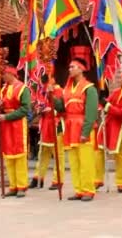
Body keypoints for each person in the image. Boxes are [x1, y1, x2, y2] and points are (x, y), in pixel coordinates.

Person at [52, 58, 98, 202]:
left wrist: (85, 132)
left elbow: (91, 113)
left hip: (82, 126)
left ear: (81, 69)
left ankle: (88, 190)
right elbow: (61, 108)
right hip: (70, 126)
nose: (70, 69)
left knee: (85, 161)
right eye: (70, 67)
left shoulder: (89, 88)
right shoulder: (67, 89)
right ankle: (78, 190)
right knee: (74, 161)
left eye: (73, 67)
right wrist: (52, 96)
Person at [0, 66, 31, 198]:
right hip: (6, 125)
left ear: (12, 74)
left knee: (19, 155)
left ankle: (22, 186)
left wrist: (7, 116)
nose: (3, 77)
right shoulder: (4, 89)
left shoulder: (23, 88)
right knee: (8, 156)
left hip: (17, 124)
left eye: (4, 74)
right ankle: (13, 186)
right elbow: (4, 105)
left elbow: (25, 108)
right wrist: (0, 104)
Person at [96, 71, 122, 193]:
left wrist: (107, 106)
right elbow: (107, 102)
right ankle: (97, 179)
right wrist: (102, 101)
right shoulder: (116, 92)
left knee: (121, 156)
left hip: (118, 126)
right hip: (107, 124)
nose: (119, 79)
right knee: (99, 151)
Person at [29, 74, 65, 190]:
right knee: (43, 153)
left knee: (58, 154)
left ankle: (57, 179)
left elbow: (60, 108)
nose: (44, 83)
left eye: (47, 80)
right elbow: (41, 104)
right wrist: (39, 109)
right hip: (45, 124)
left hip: (56, 124)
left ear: (53, 79)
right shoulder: (43, 90)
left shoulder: (59, 90)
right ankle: (38, 177)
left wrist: (51, 100)